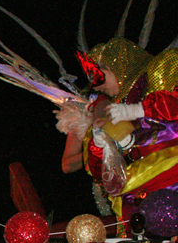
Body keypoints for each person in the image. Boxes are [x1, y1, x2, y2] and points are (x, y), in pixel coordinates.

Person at [59, 37, 178, 231]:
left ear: (117, 64)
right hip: (134, 192)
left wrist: (140, 110)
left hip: (170, 172)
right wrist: (100, 145)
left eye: (99, 77)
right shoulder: (108, 114)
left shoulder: (161, 70)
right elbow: (97, 171)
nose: (96, 87)